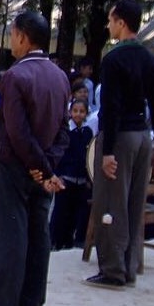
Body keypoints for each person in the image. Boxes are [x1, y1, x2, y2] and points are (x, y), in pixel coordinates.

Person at [0, 10, 68, 306]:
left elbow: (17, 132)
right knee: (37, 233)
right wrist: (47, 168)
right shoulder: (60, 76)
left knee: (8, 234)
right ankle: (31, 303)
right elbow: (63, 131)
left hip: (13, 166)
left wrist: (39, 166)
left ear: (22, 36)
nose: (11, 41)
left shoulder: (15, 76)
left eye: (12, 35)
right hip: (41, 167)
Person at [87, 0, 154, 290]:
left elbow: (111, 106)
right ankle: (130, 266)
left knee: (112, 202)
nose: (108, 26)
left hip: (120, 137)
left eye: (111, 20)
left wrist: (107, 151)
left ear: (121, 23)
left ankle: (112, 269)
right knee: (135, 203)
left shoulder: (114, 59)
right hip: (144, 136)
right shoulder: (151, 60)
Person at [48, 99, 94, 251]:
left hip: (80, 179)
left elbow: (89, 156)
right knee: (61, 212)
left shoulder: (87, 132)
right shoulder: (65, 131)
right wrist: (58, 174)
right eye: (75, 111)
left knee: (75, 213)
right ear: (70, 112)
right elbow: (58, 154)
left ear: (86, 113)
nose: (78, 114)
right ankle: (55, 242)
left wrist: (88, 178)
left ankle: (69, 242)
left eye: (82, 111)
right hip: (65, 178)